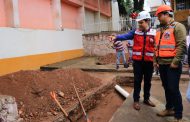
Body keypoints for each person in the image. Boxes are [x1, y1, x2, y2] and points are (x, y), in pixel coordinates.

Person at [110, 11, 156, 110]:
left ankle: (146, 99)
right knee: (137, 81)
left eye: (141, 22)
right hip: (138, 62)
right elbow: (124, 36)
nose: (139, 24)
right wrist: (116, 37)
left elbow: (157, 47)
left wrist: (157, 61)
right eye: (138, 22)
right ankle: (136, 100)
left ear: (147, 21)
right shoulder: (135, 32)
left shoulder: (154, 33)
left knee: (148, 81)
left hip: (149, 62)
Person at [154, 5, 186, 122]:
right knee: (167, 88)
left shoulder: (178, 27)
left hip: (172, 64)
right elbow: (156, 47)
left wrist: (175, 62)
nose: (157, 18)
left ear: (166, 14)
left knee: (173, 88)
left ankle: (178, 114)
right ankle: (169, 108)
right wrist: (155, 61)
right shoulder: (159, 29)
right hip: (161, 64)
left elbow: (182, 45)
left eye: (159, 15)